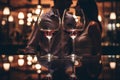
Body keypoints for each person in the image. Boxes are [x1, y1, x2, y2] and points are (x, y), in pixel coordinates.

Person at [22, 0, 74, 80]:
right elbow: (31, 46)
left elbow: (72, 45)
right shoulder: (44, 19)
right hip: (47, 66)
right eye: (68, 0)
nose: (71, 2)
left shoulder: (71, 19)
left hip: (66, 67)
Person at [74, 0, 102, 80]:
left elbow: (98, 51)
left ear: (85, 7)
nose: (75, 7)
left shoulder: (92, 25)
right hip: (78, 66)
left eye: (78, 5)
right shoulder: (79, 25)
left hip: (89, 68)